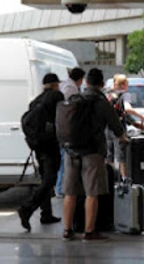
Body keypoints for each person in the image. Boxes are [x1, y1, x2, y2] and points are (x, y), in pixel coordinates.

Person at [62, 68, 127, 242]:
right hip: (92, 151)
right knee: (92, 193)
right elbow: (115, 124)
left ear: (86, 82)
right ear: (101, 84)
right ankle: (89, 232)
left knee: (70, 192)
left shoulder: (75, 98)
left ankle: (67, 230)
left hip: (72, 150)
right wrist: (122, 137)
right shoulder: (100, 101)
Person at [18, 73, 64, 231]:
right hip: (50, 144)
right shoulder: (56, 96)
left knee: (45, 178)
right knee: (50, 180)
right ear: (55, 84)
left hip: (38, 145)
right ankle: (27, 208)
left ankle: (46, 213)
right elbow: (62, 118)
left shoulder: (37, 100)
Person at [106, 74, 144, 180]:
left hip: (107, 127)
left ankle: (108, 178)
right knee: (121, 156)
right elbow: (128, 109)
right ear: (124, 85)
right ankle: (124, 178)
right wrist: (141, 116)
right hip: (118, 128)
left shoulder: (108, 93)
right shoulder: (125, 95)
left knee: (109, 155)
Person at [55, 67, 85, 198]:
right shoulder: (70, 89)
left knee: (63, 159)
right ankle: (60, 187)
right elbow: (69, 109)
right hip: (67, 129)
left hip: (61, 129)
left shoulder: (65, 85)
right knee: (64, 160)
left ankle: (60, 187)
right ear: (79, 79)